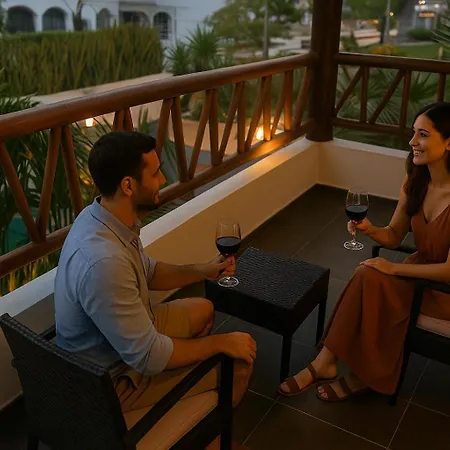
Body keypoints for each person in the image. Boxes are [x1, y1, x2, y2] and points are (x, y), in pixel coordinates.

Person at [54, 131, 256, 422]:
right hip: (108, 379)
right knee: (237, 366)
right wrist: (220, 343)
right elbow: (149, 356)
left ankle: (185, 390)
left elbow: (148, 272)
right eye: (156, 173)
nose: (162, 179)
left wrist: (203, 270)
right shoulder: (104, 263)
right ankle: (202, 429)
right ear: (128, 185)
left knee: (204, 310)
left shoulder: (102, 217)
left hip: (120, 342)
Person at [279, 102, 450, 401]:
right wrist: (370, 229)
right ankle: (329, 363)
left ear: (449, 142)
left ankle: (343, 369)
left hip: (442, 291)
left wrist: (393, 268)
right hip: (418, 272)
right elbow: (394, 235)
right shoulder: (415, 181)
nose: (412, 142)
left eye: (423, 135)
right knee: (367, 272)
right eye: (413, 133)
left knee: (372, 275)